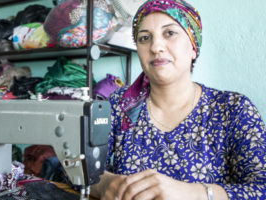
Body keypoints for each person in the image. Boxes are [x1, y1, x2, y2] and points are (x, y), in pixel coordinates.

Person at [91, 0, 266, 199]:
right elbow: (75, 169)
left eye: (170, 33)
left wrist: (195, 193)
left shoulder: (233, 110)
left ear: (193, 47)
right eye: (144, 38)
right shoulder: (119, 106)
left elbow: (261, 188)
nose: (156, 46)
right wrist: (104, 184)